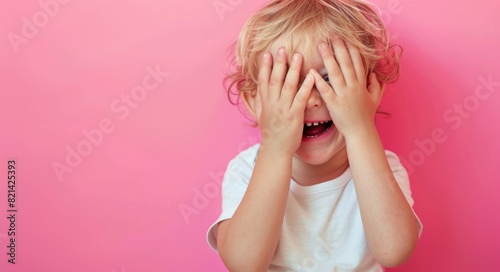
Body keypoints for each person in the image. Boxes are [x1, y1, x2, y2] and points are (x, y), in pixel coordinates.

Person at [206, 0, 423, 271]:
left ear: (370, 90)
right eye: (287, 83)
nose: (310, 101)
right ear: (253, 101)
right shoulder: (246, 171)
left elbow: (394, 252)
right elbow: (243, 264)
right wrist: (276, 148)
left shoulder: (382, 166)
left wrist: (359, 130)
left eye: (330, 79)